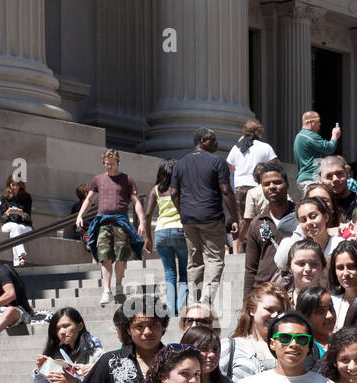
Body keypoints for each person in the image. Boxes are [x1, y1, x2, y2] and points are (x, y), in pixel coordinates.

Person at [170, 128, 238, 307]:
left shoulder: (180, 163)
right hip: (211, 217)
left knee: (194, 261)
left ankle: (194, 299)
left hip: (189, 219)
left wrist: (181, 211)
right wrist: (235, 216)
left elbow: (173, 193)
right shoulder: (217, 162)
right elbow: (226, 190)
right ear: (202, 141)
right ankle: (206, 298)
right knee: (214, 259)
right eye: (213, 140)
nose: (217, 143)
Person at [74, 149, 148, 306]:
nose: (109, 167)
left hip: (120, 222)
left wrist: (142, 222)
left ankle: (119, 285)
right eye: (106, 164)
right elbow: (89, 199)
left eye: (112, 164)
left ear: (118, 162)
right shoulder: (98, 179)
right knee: (104, 256)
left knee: (121, 256)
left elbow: (136, 202)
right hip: (103, 222)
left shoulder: (127, 180)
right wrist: (80, 215)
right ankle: (107, 291)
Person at [140, 159, 189, 318]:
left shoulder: (155, 190)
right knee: (184, 272)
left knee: (169, 273)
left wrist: (148, 238)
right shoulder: (181, 188)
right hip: (180, 230)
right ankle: (182, 309)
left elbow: (147, 216)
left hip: (161, 232)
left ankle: (172, 311)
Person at [242, 161, 296, 298]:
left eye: (277, 182)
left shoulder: (301, 217)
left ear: (287, 184)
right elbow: (250, 269)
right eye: (266, 184)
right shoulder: (257, 224)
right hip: (264, 293)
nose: (272, 187)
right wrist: (246, 304)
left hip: (295, 290)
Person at [219, 283, 290, 382]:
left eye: (280, 312)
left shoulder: (289, 346)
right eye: (269, 309)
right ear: (252, 310)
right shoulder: (230, 347)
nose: (275, 316)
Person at [226, 119, 277, 252]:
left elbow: (231, 167)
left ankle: (237, 250)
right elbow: (275, 165)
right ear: (258, 131)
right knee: (262, 218)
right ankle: (263, 248)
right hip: (257, 187)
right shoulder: (265, 147)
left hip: (240, 188)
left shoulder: (236, 148)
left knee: (240, 219)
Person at [293, 110, 341, 186]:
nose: (320, 124)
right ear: (311, 122)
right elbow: (329, 148)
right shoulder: (309, 136)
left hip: (306, 179)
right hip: (311, 179)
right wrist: (335, 135)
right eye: (318, 121)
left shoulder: (300, 136)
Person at [0, 175, 33, 267]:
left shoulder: (27, 197)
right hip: (8, 224)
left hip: (24, 226)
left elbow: (29, 218)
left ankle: (17, 262)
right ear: (9, 184)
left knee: (16, 230)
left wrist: (22, 214)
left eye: (17, 185)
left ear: (21, 185)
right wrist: (7, 213)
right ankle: (21, 255)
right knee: (14, 227)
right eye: (12, 185)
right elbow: (2, 218)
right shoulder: (4, 197)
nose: (14, 187)